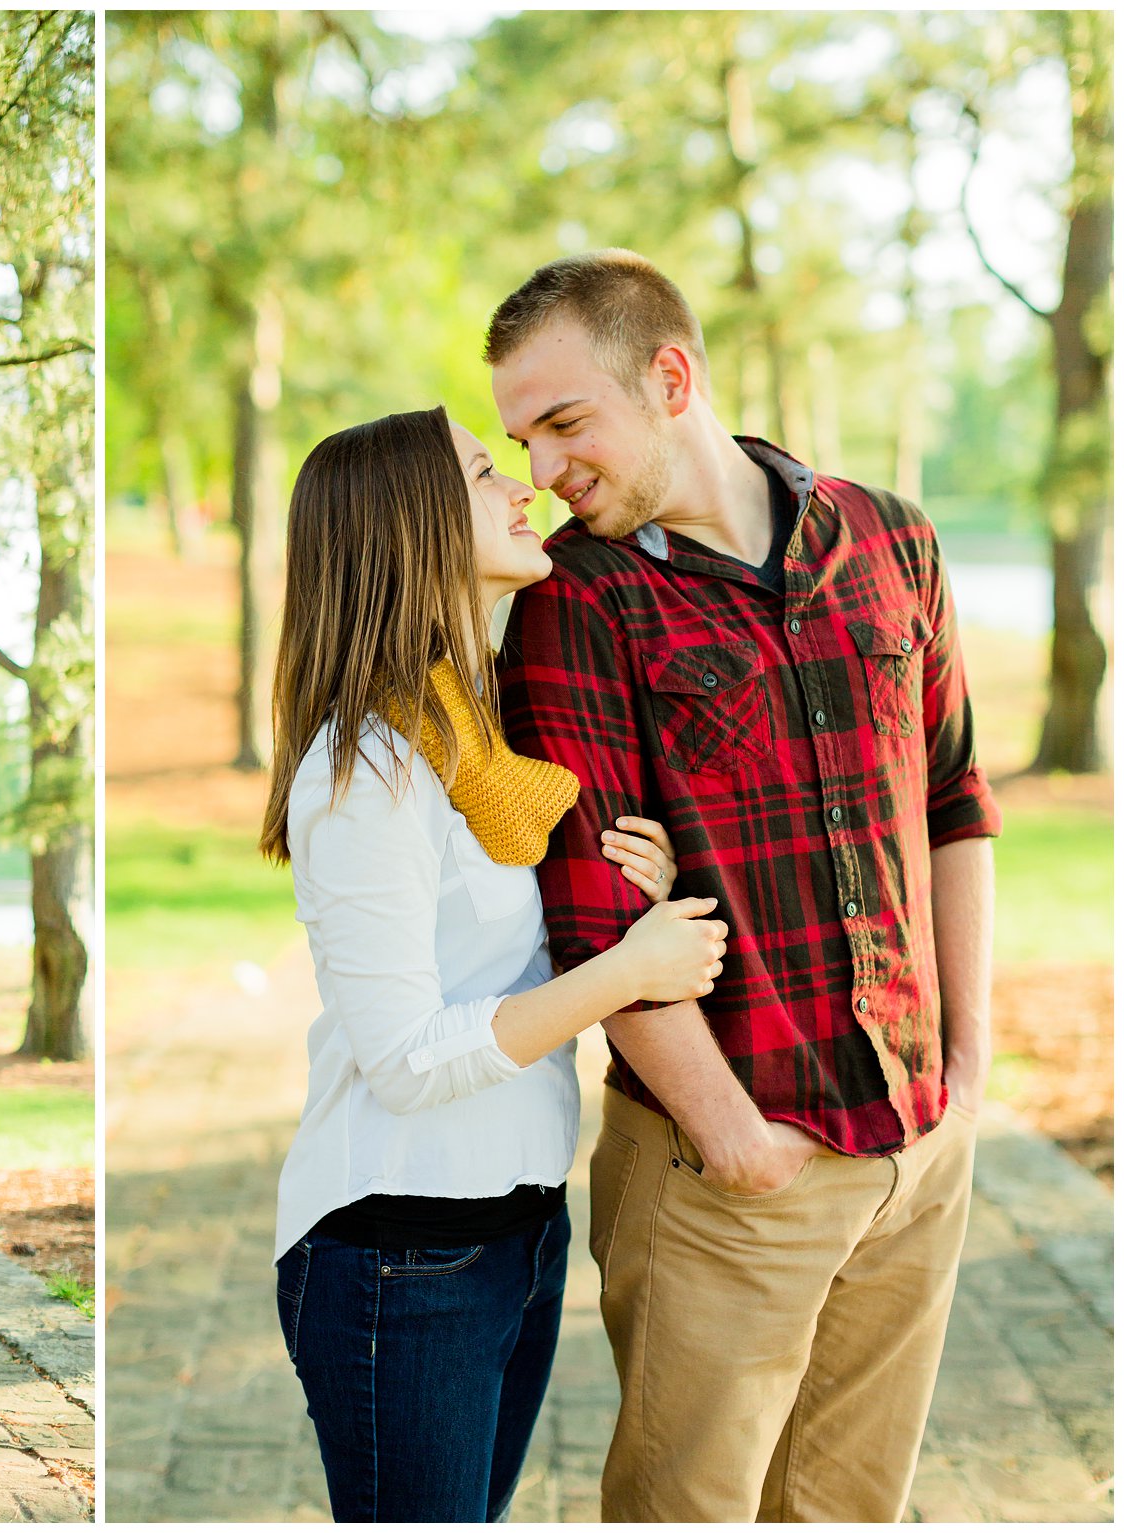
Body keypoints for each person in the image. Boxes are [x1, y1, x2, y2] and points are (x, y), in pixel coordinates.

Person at [489, 249, 999, 1522]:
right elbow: (592, 917)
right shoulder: (578, 602)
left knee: (848, 1512)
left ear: (669, 377)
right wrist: (731, 1141)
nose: (545, 472)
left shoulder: (891, 539)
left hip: (916, 1143)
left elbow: (952, 803)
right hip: (725, 1168)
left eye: (563, 424)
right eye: (523, 441)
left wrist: (969, 1077)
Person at [260, 405, 731, 1522]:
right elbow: (407, 1063)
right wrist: (627, 972)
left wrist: (637, 882)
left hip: (514, 1224)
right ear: (413, 523)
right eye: (483, 472)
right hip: (396, 1249)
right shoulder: (366, 769)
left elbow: (511, 939)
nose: (521, 486)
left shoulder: (481, 742)